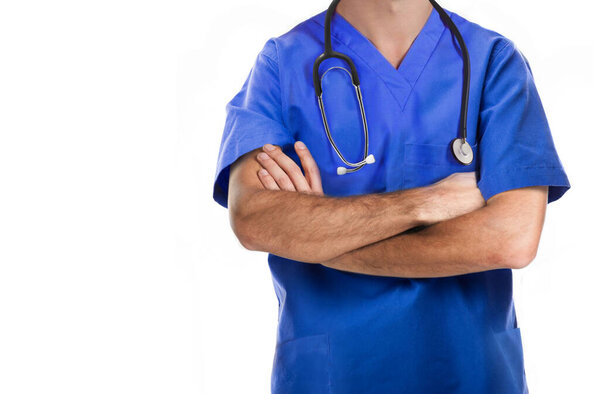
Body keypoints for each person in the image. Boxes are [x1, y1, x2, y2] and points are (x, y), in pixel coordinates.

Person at [212, 0, 570, 392]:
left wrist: (315, 236)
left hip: (468, 373)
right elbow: (253, 219)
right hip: (334, 377)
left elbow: (511, 239)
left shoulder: (493, 62)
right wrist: (427, 202)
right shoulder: (282, 65)